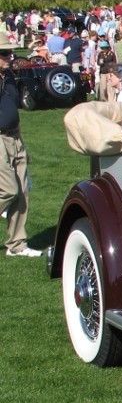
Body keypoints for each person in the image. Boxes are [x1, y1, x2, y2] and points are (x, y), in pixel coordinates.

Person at [0, 31, 41, 257]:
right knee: (7, 190)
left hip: (14, 137)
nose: (9, 57)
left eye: (9, 53)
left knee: (22, 192)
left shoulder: (8, 78)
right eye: (4, 53)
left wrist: (20, 141)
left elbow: (12, 111)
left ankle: (16, 245)